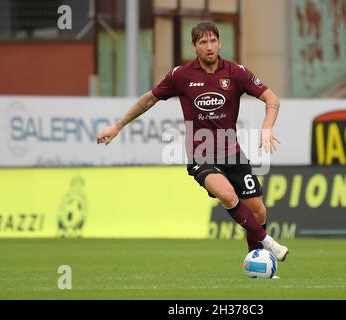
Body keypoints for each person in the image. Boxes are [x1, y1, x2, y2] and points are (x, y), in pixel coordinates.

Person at [96, 21, 289, 262]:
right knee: (228, 195)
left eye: (213, 41)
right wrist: (117, 126)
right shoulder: (181, 75)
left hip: (233, 153)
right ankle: (270, 243)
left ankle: (255, 261)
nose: (209, 47)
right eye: (203, 42)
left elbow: (272, 99)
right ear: (194, 47)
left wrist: (267, 128)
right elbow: (149, 99)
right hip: (202, 156)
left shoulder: (236, 72)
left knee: (259, 211)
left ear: (219, 43)